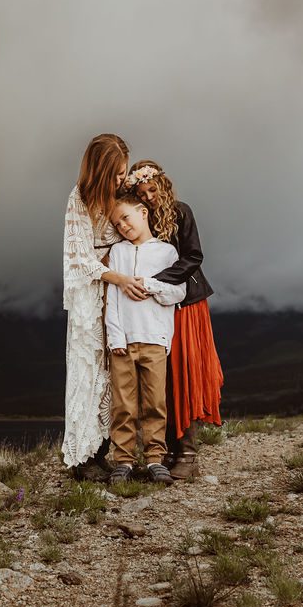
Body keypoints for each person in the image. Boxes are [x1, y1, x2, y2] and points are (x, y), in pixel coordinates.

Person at [124, 160, 224, 479]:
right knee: (163, 376)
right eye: (141, 192)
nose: (149, 196)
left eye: (153, 189)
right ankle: (165, 452)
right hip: (155, 307)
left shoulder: (181, 211)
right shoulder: (136, 220)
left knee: (185, 373)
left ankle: (189, 454)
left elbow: (193, 257)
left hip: (188, 304)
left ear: (163, 185)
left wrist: (156, 279)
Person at [62, 134, 150, 481]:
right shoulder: (80, 197)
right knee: (89, 370)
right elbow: (79, 255)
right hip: (93, 290)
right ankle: (82, 456)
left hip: (118, 288)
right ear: (99, 170)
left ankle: (103, 451)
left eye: (123, 174)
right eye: (115, 174)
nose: (120, 180)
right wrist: (117, 276)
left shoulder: (122, 193)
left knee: (115, 371)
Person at [103, 193, 186, 484]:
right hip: (123, 342)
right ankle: (123, 460)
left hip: (155, 339)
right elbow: (112, 298)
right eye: (117, 223)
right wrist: (115, 337)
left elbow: (179, 293)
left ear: (142, 212)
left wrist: (149, 285)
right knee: (123, 404)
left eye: (125, 217)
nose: (122, 226)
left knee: (155, 403)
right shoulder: (118, 253)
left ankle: (154, 458)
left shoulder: (167, 253)